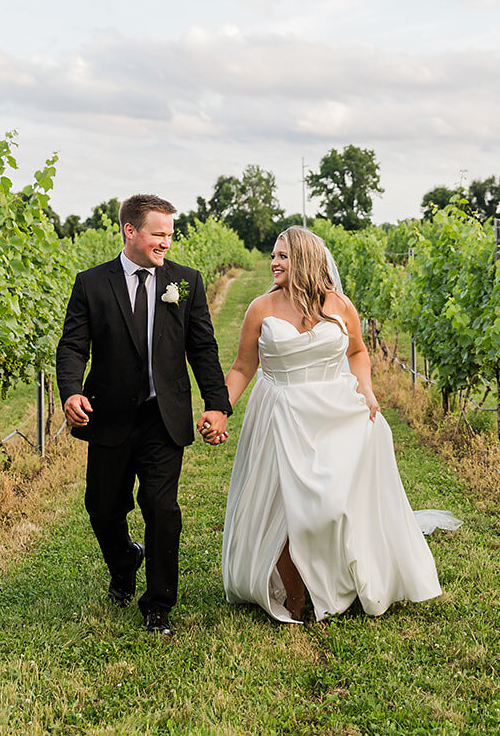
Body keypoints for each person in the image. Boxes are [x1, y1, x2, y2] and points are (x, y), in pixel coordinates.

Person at [218, 226, 445, 623]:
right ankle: (296, 597)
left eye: (282, 256)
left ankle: (338, 577)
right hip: (281, 410)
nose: (274, 262)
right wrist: (221, 409)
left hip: (335, 412)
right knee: (288, 511)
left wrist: (368, 391)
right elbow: (242, 366)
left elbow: (357, 352)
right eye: (274, 255)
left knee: (331, 506)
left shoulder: (339, 306)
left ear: (305, 259)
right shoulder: (261, 308)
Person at [55, 194, 232, 636]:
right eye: (158, 233)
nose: (166, 243)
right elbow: (74, 346)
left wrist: (216, 404)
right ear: (130, 231)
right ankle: (123, 562)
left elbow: (203, 349)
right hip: (109, 416)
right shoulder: (92, 284)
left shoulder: (185, 282)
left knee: (160, 507)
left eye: (170, 235)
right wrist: (71, 393)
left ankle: (158, 606)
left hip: (162, 417)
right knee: (102, 507)